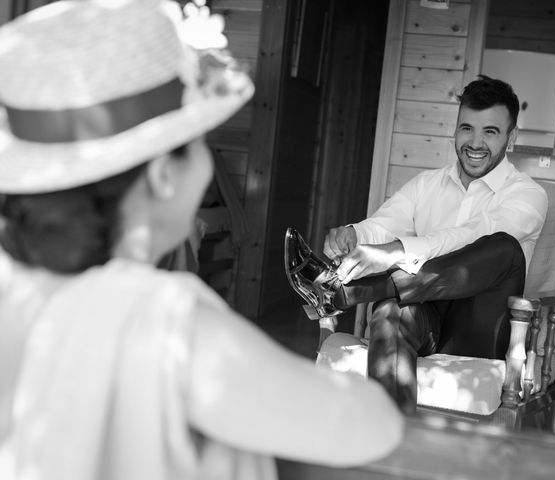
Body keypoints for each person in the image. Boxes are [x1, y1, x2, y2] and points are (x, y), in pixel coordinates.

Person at [0, 1, 404, 479]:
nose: (207, 166)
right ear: (162, 175)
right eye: (199, 145)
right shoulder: (164, 323)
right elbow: (368, 425)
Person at [285, 75, 548, 414]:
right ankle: (392, 434)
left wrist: (394, 253)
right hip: (424, 319)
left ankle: (351, 291)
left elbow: (470, 235)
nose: (475, 142)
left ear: (511, 138)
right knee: (391, 310)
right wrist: (354, 235)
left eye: (490, 131)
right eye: (466, 128)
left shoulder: (528, 195)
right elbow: (383, 224)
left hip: (479, 329)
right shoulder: (427, 184)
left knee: (502, 247)